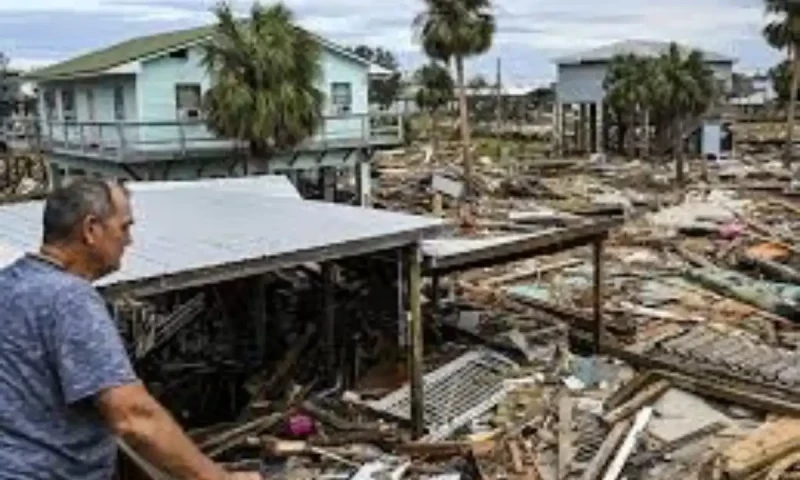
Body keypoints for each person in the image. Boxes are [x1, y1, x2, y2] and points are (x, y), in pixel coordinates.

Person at [0, 178, 260, 480]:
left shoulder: (8, 284)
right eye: (124, 227)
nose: (130, 241)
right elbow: (132, 417)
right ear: (91, 230)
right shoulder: (70, 299)